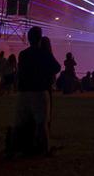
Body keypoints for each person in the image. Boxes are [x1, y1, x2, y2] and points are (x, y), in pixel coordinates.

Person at [12, 26, 61, 156]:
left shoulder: (23, 54)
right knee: (41, 123)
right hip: (39, 91)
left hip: (24, 92)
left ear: (28, 38)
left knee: (21, 122)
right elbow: (57, 67)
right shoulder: (44, 53)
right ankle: (44, 149)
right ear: (40, 39)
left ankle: (17, 147)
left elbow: (21, 72)